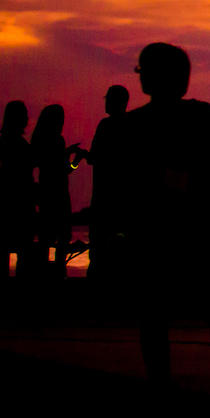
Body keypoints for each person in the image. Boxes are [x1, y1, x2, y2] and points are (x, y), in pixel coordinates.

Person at [113, 43, 210, 388]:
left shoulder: (135, 125)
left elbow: (128, 187)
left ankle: (168, 384)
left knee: (159, 318)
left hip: (165, 232)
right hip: (184, 231)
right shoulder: (199, 118)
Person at [86, 85, 134, 283]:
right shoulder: (132, 125)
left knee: (99, 245)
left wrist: (82, 157)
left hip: (104, 195)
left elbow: (95, 157)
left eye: (108, 98)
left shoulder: (105, 126)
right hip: (124, 196)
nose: (105, 102)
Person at [31, 105, 80, 278]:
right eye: (62, 117)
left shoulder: (38, 140)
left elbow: (58, 166)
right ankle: (59, 270)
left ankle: (43, 271)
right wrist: (73, 157)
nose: (63, 121)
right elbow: (63, 168)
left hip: (46, 193)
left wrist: (72, 158)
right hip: (58, 194)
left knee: (46, 237)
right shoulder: (57, 140)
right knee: (63, 235)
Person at [0, 101, 31, 279]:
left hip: (11, 198)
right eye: (24, 114)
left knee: (7, 246)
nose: (27, 118)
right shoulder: (13, 141)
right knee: (21, 246)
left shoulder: (6, 140)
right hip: (18, 200)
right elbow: (25, 165)